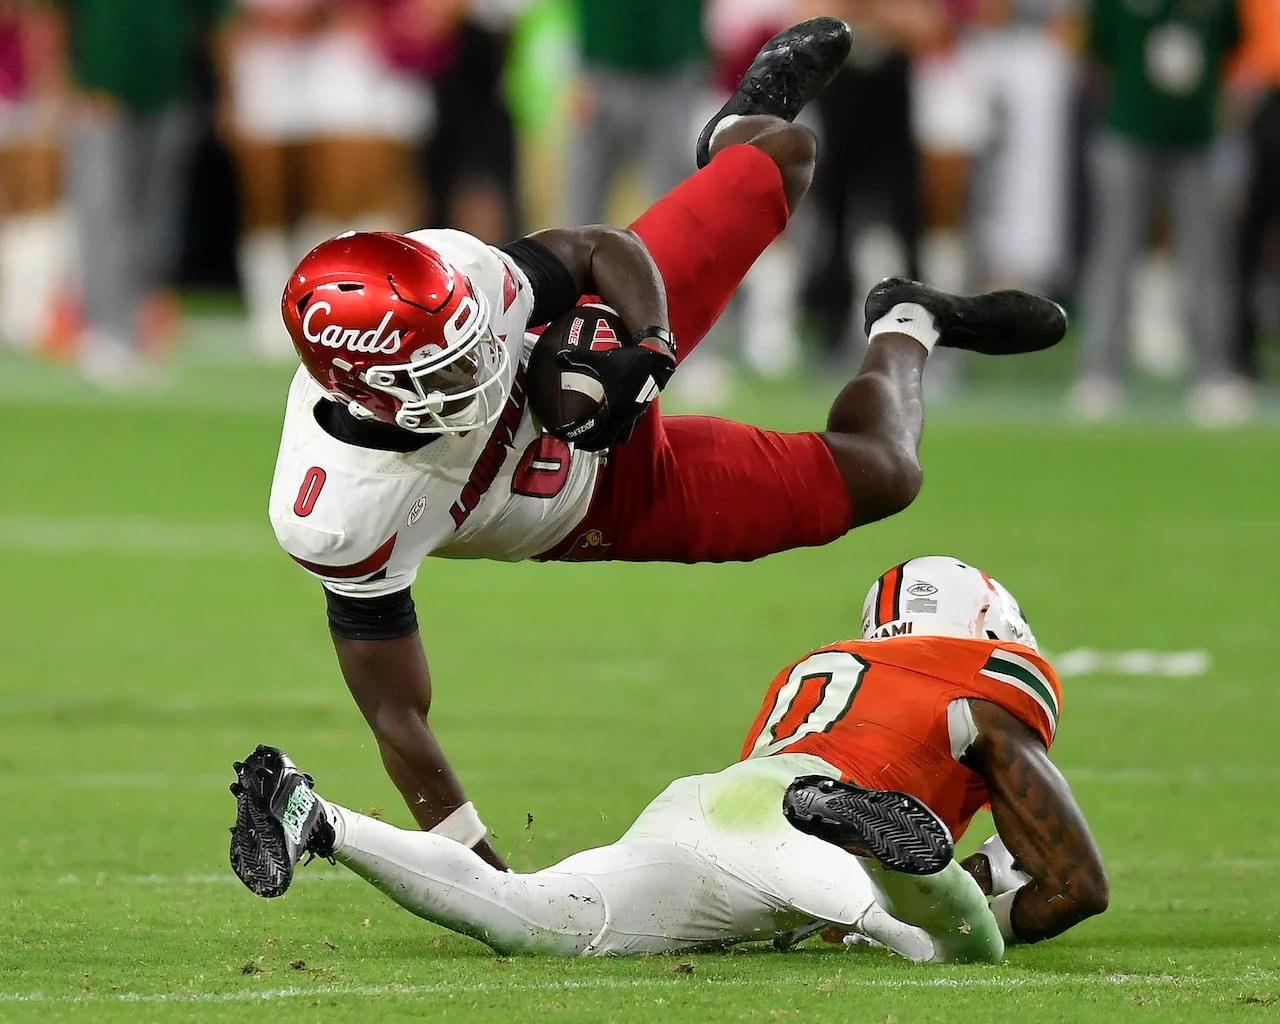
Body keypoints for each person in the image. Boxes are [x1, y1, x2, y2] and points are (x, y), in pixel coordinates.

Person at [265, 18, 1067, 874]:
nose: (481, 367)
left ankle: (732, 131)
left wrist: (649, 348)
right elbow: (398, 716)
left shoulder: (459, 281)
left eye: (470, 342)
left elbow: (598, 248)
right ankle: (911, 319)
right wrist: (479, 870)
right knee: (886, 473)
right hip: (600, 503)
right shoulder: (339, 511)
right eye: (447, 374)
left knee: (787, 152)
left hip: (587, 346)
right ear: (361, 389)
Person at [226, 557, 1109, 961]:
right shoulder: (986, 682)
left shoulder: (818, 671)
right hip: (811, 831)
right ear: (991, 625)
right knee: (951, 948)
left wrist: (990, 862)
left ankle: (315, 817)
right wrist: (998, 892)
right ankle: (888, 852)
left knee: (525, 911)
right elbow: (1078, 885)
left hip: (715, 802)